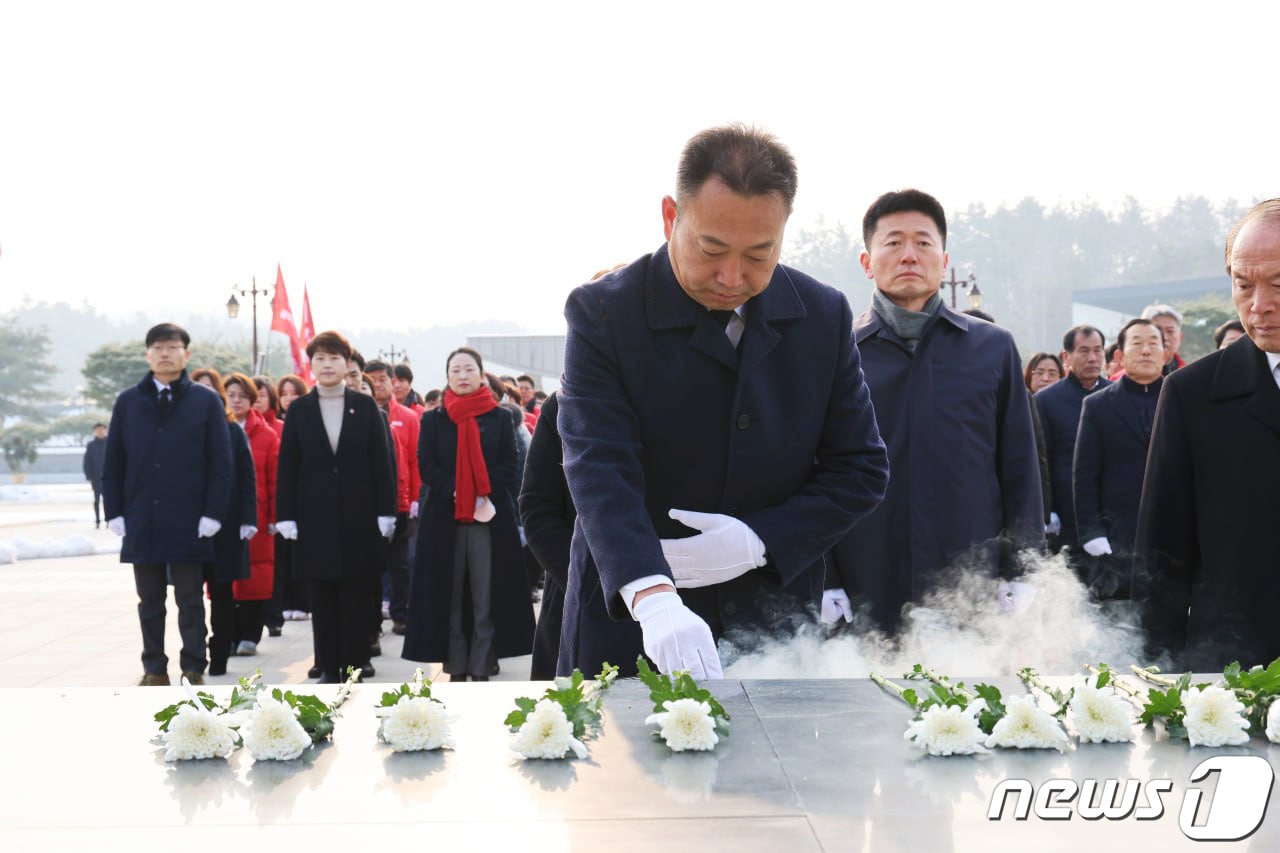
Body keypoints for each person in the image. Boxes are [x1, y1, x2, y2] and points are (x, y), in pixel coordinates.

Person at [558, 125, 889, 679]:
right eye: (711, 249)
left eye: (760, 254)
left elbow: (860, 468)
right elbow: (598, 464)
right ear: (671, 217)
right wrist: (653, 595)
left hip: (773, 618)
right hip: (634, 621)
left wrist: (762, 539)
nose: (732, 277)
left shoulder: (822, 315)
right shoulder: (604, 313)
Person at [828, 189, 1041, 633]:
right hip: (866, 575)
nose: (909, 255)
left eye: (923, 243)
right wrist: (824, 577)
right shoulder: (837, 352)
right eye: (892, 242)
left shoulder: (992, 347)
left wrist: (1022, 568)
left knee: (967, 698)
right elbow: (813, 473)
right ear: (867, 262)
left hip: (970, 575)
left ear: (944, 262)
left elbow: (1019, 465)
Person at [1135, 199, 1280, 671]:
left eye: (1278, 284)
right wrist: (1159, 674)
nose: (1259, 305)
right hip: (1233, 668)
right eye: (1244, 285)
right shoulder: (1192, 394)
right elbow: (1163, 550)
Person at [101, 323, 232, 686]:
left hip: (190, 518)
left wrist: (213, 513)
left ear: (186, 354)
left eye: (172, 347)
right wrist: (114, 511)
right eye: (157, 348)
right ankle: (154, 669)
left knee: (190, 600)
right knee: (150, 602)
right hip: (143, 516)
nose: (165, 354)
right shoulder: (129, 401)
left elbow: (221, 464)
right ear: (147, 355)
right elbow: (113, 462)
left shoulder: (205, 401)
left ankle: (193, 667)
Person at [402, 347, 535, 681]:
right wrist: (456, 488)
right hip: (444, 517)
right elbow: (427, 464)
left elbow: (510, 464)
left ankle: (482, 663)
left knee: (486, 592)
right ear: (447, 377)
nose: (462, 376)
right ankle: (455, 664)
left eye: (468, 369)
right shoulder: (433, 418)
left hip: (489, 515)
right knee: (451, 593)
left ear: (480, 374)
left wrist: (479, 489)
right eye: (455, 370)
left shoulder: (501, 417)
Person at [276, 330, 396, 682]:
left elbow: (382, 464)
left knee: (356, 596)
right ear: (311, 365)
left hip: (359, 518)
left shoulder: (366, 409)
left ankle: (354, 666)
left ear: (347, 364)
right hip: (313, 519)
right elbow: (289, 466)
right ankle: (328, 667)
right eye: (320, 359)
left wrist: (386, 511)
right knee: (323, 599)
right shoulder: (300, 410)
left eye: (334, 358)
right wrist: (286, 516)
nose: (326, 365)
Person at [1071, 319, 1165, 601]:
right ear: (1120, 355)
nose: (1146, 350)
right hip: (1116, 540)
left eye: (1153, 343)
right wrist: (1091, 533)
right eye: (1137, 343)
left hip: (1172, 540)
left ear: (1166, 352)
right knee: (1119, 629)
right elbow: (1084, 476)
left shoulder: (1185, 399)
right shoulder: (1098, 405)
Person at [191, 368, 257, 677]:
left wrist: (248, 518)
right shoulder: (182, 429)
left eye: (209, 389)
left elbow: (246, 477)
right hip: (187, 526)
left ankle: (219, 655)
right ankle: (193, 655)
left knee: (222, 594)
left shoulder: (232, 430)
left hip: (227, 525)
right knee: (189, 596)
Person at [1035, 325, 1110, 551]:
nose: (1092, 358)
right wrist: (1047, 509)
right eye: (1084, 351)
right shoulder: (1046, 401)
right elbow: (1041, 460)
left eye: (1098, 351)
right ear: (1066, 356)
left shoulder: (1115, 395)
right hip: (1065, 515)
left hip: (1110, 511)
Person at [222, 373, 278, 655]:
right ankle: (227, 635)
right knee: (225, 581)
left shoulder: (267, 435)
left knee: (255, 580)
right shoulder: (217, 429)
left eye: (242, 396)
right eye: (231, 395)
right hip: (224, 517)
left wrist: (274, 518)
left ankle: (250, 636)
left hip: (257, 517)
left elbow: (274, 479)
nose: (236, 401)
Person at [366, 359, 420, 636]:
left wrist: (414, 499)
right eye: (372, 379)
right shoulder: (362, 415)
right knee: (372, 564)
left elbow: (414, 460)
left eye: (382, 378)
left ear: (391, 381)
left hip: (401, 502)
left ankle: (401, 614)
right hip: (369, 505)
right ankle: (372, 618)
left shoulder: (409, 417)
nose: (378, 384)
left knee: (400, 563)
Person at [1141, 304, 1186, 374]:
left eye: (1170, 331)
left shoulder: (1191, 375)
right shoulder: (1123, 380)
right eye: (1157, 331)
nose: (1164, 337)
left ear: (1180, 337)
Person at [82, 423, 107, 527]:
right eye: (98, 430)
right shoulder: (91, 445)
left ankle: (108, 519)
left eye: (102, 430)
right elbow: (87, 461)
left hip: (110, 478)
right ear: (95, 431)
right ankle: (97, 520)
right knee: (96, 500)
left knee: (109, 500)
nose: (100, 432)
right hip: (96, 478)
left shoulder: (111, 443)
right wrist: (89, 476)